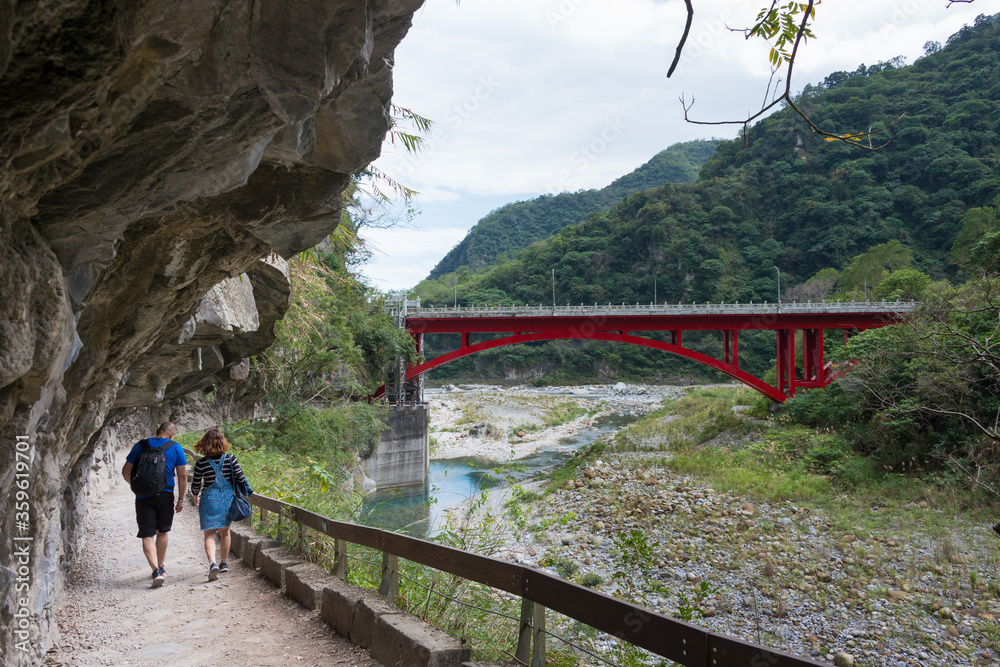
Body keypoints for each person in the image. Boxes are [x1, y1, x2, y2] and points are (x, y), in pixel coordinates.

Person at [121, 422, 187, 588]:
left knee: (147, 534)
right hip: (165, 495)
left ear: (157, 431)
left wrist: (135, 487)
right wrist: (180, 499)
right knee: (162, 532)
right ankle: (161, 566)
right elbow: (183, 475)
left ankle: (155, 570)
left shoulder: (141, 445)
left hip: (143, 496)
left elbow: (125, 471)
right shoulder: (176, 447)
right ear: (171, 434)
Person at [190, 428, 251, 581]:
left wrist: (194, 497)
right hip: (227, 500)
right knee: (225, 533)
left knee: (209, 535)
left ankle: (212, 563)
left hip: (209, 499)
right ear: (222, 442)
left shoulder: (201, 463)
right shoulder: (231, 459)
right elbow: (240, 478)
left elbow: (196, 486)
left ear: (204, 443)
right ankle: (224, 563)